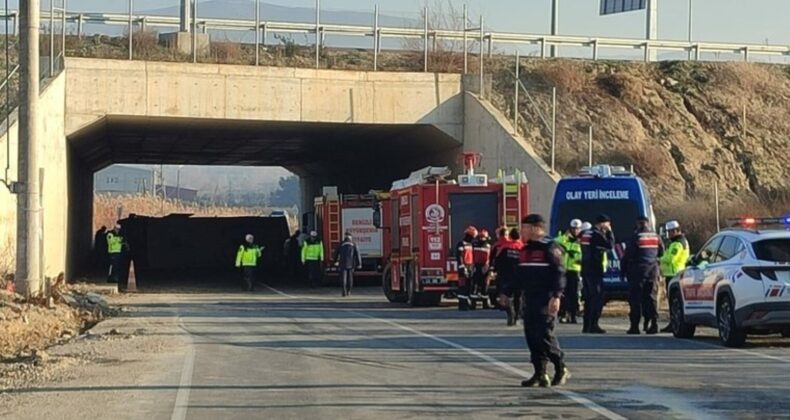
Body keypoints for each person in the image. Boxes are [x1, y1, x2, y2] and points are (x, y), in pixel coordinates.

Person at [517, 214, 570, 388]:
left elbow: (559, 273)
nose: (521, 231)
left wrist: (556, 296)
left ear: (534, 228)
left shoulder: (550, 247)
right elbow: (520, 275)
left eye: (524, 227)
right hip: (529, 299)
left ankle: (560, 367)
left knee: (544, 335)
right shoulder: (525, 250)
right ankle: (540, 373)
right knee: (531, 336)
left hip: (545, 298)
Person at [621, 216, 664, 335]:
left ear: (638, 224)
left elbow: (628, 255)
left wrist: (623, 270)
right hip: (653, 270)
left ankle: (635, 326)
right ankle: (654, 324)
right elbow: (661, 252)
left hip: (637, 270)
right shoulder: (656, 236)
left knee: (635, 298)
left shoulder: (636, 236)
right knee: (651, 297)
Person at [581, 214, 615, 334]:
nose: (609, 226)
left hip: (585, 269)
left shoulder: (586, 233)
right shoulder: (597, 234)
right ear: (602, 223)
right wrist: (610, 232)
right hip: (594, 269)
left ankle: (586, 325)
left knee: (588, 299)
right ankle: (593, 325)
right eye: (607, 223)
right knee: (597, 298)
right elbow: (610, 245)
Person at [659, 220, 690, 332]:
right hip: (672, 274)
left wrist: (659, 259)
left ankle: (674, 323)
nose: (669, 234)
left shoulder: (677, 243)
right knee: (672, 302)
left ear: (676, 230)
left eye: (671, 232)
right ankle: (673, 322)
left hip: (675, 274)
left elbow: (671, 259)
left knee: (674, 301)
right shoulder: (676, 242)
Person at [555, 219, 583, 324]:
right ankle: (563, 314)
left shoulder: (582, 241)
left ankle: (573, 314)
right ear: (570, 229)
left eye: (578, 229)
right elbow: (556, 243)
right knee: (563, 293)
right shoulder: (562, 239)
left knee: (574, 294)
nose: (576, 231)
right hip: (563, 270)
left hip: (575, 270)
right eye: (574, 228)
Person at [495, 227, 523, 326]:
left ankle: (510, 312)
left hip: (506, 276)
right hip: (520, 277)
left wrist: (494, 271)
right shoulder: (522, 248)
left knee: (504, 297)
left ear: (510, 236)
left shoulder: (505, 247)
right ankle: (516, 316)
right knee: (518, 297)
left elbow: (497, 260)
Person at [456, 226, 477, 310]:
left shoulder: (470, 244)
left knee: (468, 285)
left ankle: (466, 303)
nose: (473, 239)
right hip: (464, 267)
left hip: (470, 266)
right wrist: (462, 267)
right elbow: (459, 256)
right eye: (472, 237)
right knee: (463, 286)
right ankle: (462, 304)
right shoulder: (461, 244)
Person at [471, 229, 493, 309]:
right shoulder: (488, 246)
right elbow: (489, 258)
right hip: (484, 267)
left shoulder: (474, 245)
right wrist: (488, 267)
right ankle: (485, 304)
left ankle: (473, 304)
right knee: (484, 286)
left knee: (475, 285)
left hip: (477, 267)